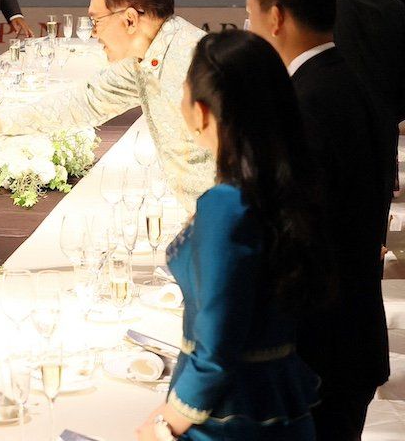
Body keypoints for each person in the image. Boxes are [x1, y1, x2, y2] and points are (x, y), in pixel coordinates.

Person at [136, 29, 324, 440]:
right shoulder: (288, 184)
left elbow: (216, 349)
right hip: (276, 398)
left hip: (230, 416)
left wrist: (167, 424)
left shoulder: (227, 205)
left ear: (201, 113)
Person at [244, 0, 389, 439]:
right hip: (354, 334)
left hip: (316, 352)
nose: (249, 26)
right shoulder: (351, 81)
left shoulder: (304, 104)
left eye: (251, 13)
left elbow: (297, 240)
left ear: (277, 17)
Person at [0, 0, 214, 210]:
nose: (94, 33)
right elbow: (85, 100)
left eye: (96, 21)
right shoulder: (146, 59)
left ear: (130, 19)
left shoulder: (196, 63)